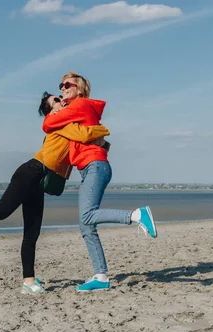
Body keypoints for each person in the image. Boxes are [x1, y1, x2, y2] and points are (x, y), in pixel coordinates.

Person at [0, 97, 110, 295]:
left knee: (32, 233)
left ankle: (28, 282)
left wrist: (101, 142)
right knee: (0, 211)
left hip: (39, 180)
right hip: (30, 172)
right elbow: (84, 135)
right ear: (51, 110)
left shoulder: (67, 120)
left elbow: (88, 141)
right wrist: (103, 130)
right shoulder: (58, 120)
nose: (61, 99)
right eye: (56, 100)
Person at [41, 72, 157, 292]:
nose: (63, 88)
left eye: (68, 85)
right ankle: (101, 276)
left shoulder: (80, 104)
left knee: (86, 215)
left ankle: (136, 215)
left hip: (94, 165)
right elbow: (86, 136)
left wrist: (57, 115)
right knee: (85, 224)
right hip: (90, 167)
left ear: (80, 89)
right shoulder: (77, 112)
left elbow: (48, 124)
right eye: (61, 85)